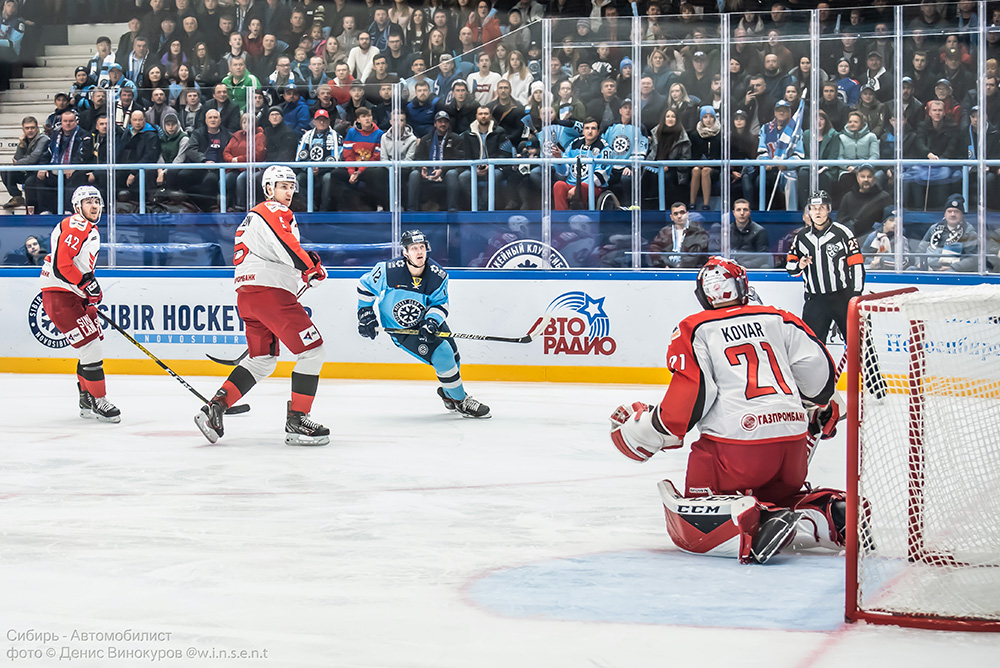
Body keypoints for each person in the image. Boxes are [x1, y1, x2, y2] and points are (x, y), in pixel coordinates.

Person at [608, 256, 845, 564]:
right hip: (792, 452)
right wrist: (815, 415)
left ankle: (750, 519)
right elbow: (821, 383)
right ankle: (829, 512)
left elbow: (692, 399)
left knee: (696, 509)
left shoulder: (695, 328)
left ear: (703, 295)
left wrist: (648, 429)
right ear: (744, 286)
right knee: (781, 493)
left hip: (736, 453)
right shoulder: (779, 318)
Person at [195, 165, 330, 446]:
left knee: (262, 360)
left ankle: (215, 408)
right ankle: (297, 421)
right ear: (268, 189)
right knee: (313, 351)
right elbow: (286, 244)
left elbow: (273, 251)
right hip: (270, 294)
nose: (289, 191)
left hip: (249, 296)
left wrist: (304, 268)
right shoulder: (273, 210)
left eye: (292, 186)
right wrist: (309, 268)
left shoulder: (251, 218)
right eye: (282, 186)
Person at [356, 230, 490, 419]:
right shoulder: (388, 270)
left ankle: (448, 394)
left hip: (428, 322)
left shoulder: (438, 276)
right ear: (405, 252)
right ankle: (461, 401)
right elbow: (365, 286)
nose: (419, 252)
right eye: (413, 248)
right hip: (403, 330)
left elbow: (440, 305)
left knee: (454, 357)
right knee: (443, 355)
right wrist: (365, 314)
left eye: (421, 247)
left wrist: (431, 322)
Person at [39, 186, 121, 423]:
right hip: (61, 294)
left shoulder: (86, 227)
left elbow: (75, 266)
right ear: (77, 207)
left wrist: (87, 293)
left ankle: (87, 398)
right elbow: (62, 265)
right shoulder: (77, 225)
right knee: (91, 347)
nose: (94, 206)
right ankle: (99, 399)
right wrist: (86, 283)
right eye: (88, 202)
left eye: (97, 201)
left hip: (71, 294)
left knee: (89, 345)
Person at [786, 190, 864, 348]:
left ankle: (871, 373)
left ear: (829, 209)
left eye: (822, 207)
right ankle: (820, 374)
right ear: (809, 211)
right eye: (814, 208)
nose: (817, 211)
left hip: (842, 298)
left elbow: (856, 264)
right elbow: (790, 267)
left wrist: (855, 296)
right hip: (815, 300)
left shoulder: (843, 233)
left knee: (859, 343)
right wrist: (799, 265)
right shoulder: (801, 237)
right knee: (811, 348)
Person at [918, 194, 980, 272]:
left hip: (954, 271)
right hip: (929, 267)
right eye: (949, 211)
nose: (952, 214)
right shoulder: (934, 228)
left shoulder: (969, 232)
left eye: (956, 212)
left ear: (962, 215)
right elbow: (921, 249)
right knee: (911, 270)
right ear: (945, 214)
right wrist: (919, 263)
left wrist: (953, 267)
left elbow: (973, 259)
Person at [3, 116, 48, 209]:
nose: (30, 130)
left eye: (32, 128)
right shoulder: (24, 140)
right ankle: (17, 197)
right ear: (23, 129)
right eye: (27, 128)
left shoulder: (43, 139)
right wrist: (21, 144)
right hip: (27, 170)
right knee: (5, 171)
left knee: (29, 182)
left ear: (37, 128)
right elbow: (17, 158)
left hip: (39, 172)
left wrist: (18, 162)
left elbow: (34, 158)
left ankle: (31, 209)